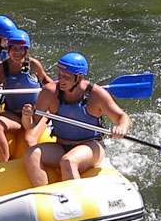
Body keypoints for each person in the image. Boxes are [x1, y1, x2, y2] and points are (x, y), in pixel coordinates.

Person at [23, 52, 132, 186]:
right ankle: (45, 196)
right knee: (31, 154)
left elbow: (123, 117)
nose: (60, 79)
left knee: (68, 161)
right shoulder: (49, 92)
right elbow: (30, 125)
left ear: (79, 77)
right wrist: (26, 117)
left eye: (66, 76)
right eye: (59, 74)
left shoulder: (96, 94)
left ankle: (73, 202)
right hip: (61, 146)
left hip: (90, 146)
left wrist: (121, 128)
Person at [0, 29, 51, 162]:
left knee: (29, 140)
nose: (17, 52)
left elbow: (48, 84)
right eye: (13, 48)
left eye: (20, 49)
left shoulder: (33, 65)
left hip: (35, 113)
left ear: (26, 50)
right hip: (14, 114)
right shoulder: (1, 67)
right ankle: (6, 164)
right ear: (8, 49)